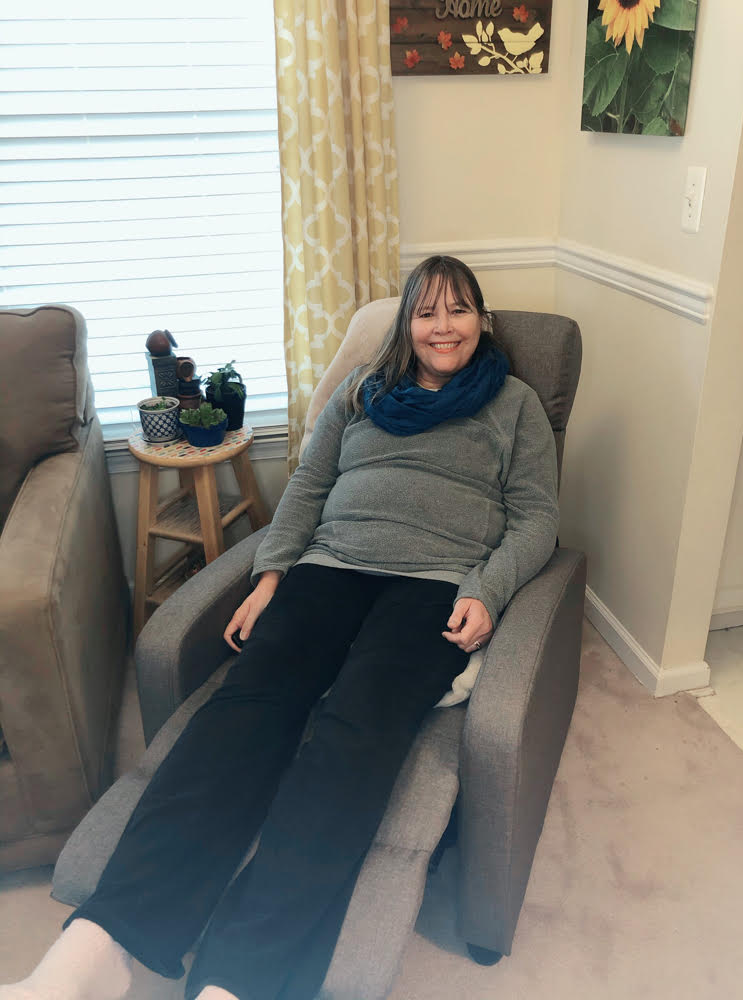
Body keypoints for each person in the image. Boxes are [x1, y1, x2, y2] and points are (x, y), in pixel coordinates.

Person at [0, 256, 559, 1000]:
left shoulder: (514, 405)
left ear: (481, 322)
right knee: (246, 709)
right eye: (427, 311)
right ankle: (105, 943)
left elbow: (538, 517)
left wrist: (487, 590)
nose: (442, 326)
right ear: (408, 324)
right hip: (331, 567)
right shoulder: (365, 394)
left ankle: (241, 976)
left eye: (458, 310)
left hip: (433, 586)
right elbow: (308, 486)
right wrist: (271, 576)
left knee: (354, 736)